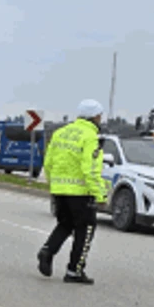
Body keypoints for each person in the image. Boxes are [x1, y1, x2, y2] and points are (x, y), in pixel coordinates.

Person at [38, 99, 106, 284]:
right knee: (86, 229)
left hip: (60, 189)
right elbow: (90, 169)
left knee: (66, 224)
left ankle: (47, 251)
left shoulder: (60, 133)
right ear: (96, 116)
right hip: (81, 192)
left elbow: (48, 163)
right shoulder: (91, 136)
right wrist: (100, 194)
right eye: (100, 115)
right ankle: (74, 270)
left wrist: (54, 185)